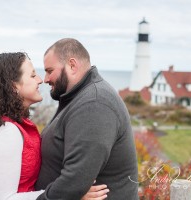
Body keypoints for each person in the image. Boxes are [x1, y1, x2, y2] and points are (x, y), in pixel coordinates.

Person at [0, 52, 109, 200]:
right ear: (13, 86)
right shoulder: (5, 131)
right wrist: (70, 196)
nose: (40, 80)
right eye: (32, 75)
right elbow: (5, 198)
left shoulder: (10, 122)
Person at [35, 38, 139, 199]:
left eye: (49, 70)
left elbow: (75, 180)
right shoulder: (78, 98)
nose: (45, 79)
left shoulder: (95, 104)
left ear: (72, 65)